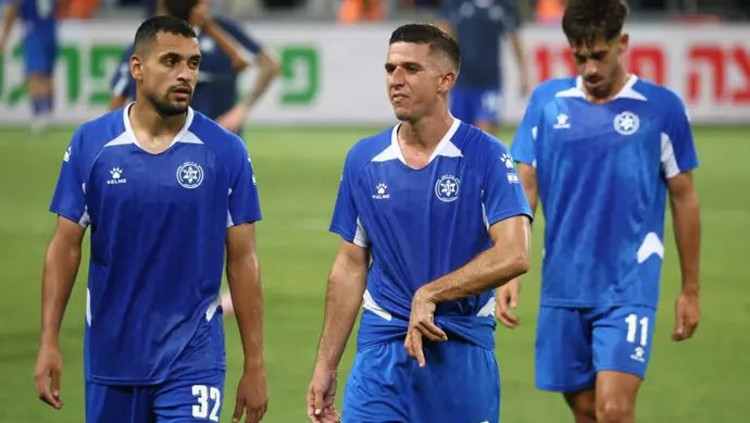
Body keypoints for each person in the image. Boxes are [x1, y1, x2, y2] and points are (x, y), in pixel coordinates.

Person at [34, 15, 268, 423]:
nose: (185, 74)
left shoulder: (225, 151)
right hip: (113, 355)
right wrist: (48, 339)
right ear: (137, 68)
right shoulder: (92, 143)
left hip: (194, 356)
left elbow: (243, 259)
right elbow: (65, 246)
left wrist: (255, 364)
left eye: (193, 64)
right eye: (171, 61)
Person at [306, 24, 532, 423]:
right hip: (381, 354)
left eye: (411, 69)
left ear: (446, 80)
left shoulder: (486, 155)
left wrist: (431, 294)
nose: (396, 80)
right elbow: (350, 266)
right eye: (390, 69)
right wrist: (326, 365)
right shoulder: (364, 159)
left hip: (459, 348)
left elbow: (514, 253)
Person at [502, 1, 702, 422]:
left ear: (622, 43)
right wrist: (510, 267)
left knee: (613, 410)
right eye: (580, 57)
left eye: (599, 55)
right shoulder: (547, 103)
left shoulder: (661, 108)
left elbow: (684, 197)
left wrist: (690, 289)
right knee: (586, 410)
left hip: (629, 284)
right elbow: (525, 186)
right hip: (563, 284)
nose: (590, 68)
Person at [110, 0, 280, 134]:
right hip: (168, 142)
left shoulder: (225, 31)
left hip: (219, 138)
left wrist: (241, 109)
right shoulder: (147, 43)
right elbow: (117, 101)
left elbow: (261, 64)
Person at [437, 0, 530, 134]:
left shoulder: (504, 5)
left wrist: (524, 74)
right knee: (459, 135)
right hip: (462, 81)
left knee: (485, 133)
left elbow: (515, 39)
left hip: (490, 82)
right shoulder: (456, 4)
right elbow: (442, 34)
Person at [0, 0, 68, 133]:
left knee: (35, 75)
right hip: (51, 33)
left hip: (34, 33)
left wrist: (4, 37)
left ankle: (38, 115)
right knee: (48, 76)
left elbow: (10, 10)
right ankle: (48, 114)